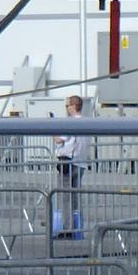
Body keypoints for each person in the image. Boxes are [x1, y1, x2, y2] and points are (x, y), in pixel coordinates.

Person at [53, 94, 84, 237]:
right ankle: (77, 228)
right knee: (75, 198)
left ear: (73, 107)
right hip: (81, 162)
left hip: (68, 162)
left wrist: (52, 130)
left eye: (67, 106)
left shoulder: (71, 123)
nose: (66, 109)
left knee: (66, 197)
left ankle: (67, 229)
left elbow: (59, 140)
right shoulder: (86, 122)